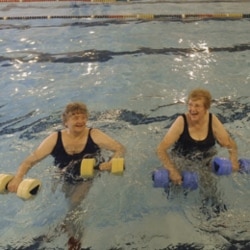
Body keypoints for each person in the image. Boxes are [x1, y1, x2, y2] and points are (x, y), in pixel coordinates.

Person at [7, 101, 125, 249]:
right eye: (75, 118)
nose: (81, 121)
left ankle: (74, 240)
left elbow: (119, 148)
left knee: (75, 202)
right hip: (65, 174)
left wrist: (111, 162)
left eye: (83, 117)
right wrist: (18, 178)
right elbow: (30, 160)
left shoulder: (93, 134)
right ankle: (65, 226)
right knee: (69, 201)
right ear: (66, 122)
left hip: (90, 172)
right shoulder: (54, 138)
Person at [157, 88, 239, 186]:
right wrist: (172, 170)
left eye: (197, 106)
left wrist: (233, 160)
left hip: (205, 163)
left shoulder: (212, 120)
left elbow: (229, 144)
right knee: (176, 187)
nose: (192, 109)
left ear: (206, 108)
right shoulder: (182, 121)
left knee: (210, 191)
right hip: (181, 162)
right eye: (190, 105)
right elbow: (161, 149)